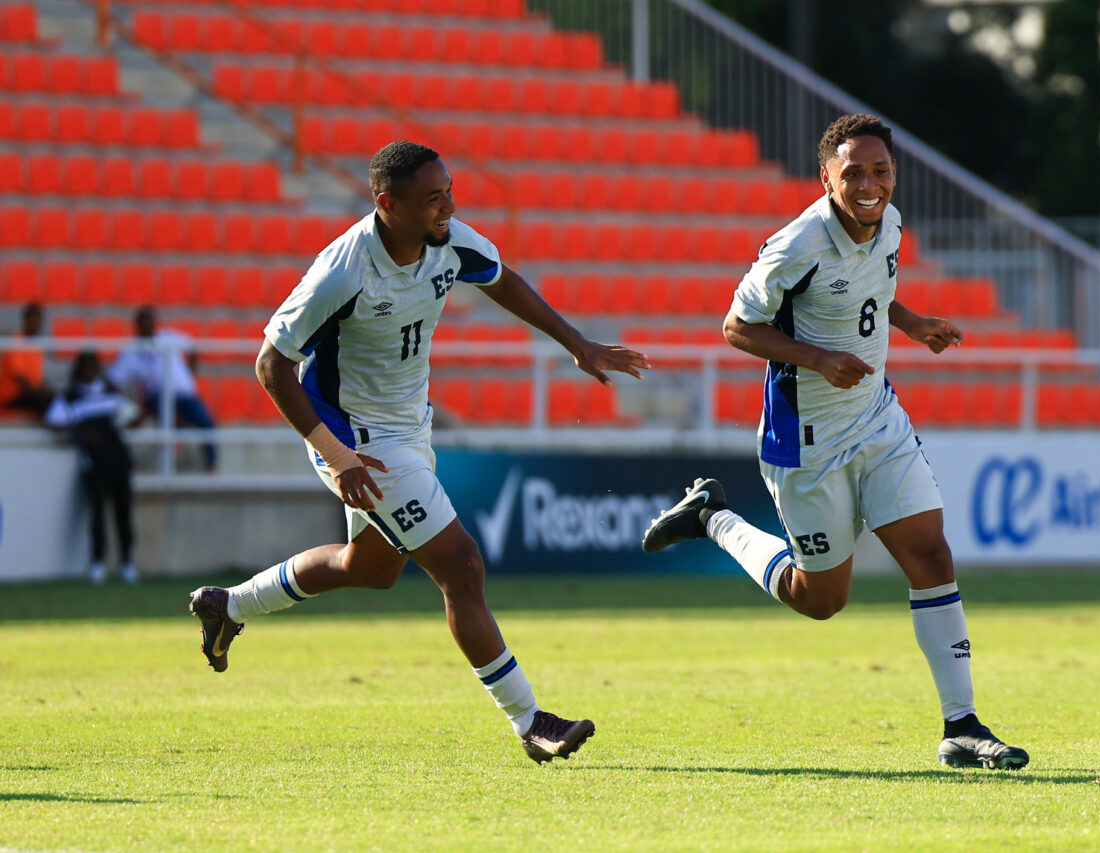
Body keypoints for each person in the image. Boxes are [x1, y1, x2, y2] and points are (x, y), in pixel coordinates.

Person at [187, 141, 650, 764]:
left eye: (449, 191)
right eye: (433, 199)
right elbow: (272, 366)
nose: (449, 207)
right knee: (460, 566)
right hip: (357, 443)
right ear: (388, 204)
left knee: (369, 568)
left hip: (409, 430)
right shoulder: (344, 271)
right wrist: (336, 452)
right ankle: (529, 720)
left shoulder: (449, 239)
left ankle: (227, 605)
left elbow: (500, 278)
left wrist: (577, 343)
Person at [641, 114, 1029, 771]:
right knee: (820, 599)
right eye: (853, 173)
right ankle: (712, 516)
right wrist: (818, 358)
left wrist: (911, 324)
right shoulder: (798, 244)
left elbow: (876, 289)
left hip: (877, 419)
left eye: (880, 171)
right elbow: (737, 326)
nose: (869, 184)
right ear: (826, 178)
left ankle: (961, 725)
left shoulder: (893, 222)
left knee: (930, 553)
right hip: (806, 439)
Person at [45, 351, 140, 585]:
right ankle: (97, 563)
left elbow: (133, 416)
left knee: (123, 511)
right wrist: (80, 432)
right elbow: (54, 421)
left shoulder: (109, 391)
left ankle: (127, 562)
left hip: (118, 458)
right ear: (78, 370)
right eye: (86, 367)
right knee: (97, 512)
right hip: (95, 462)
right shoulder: (71, 396)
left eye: (94, 367)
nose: (91, 372)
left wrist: (129, 416)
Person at [108, 305, 218, 471]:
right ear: (137, 324)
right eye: (144, 322)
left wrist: (191, 372)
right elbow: (114, 378)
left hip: (185, 395)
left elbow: (191, 346)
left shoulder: (167, 337)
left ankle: (211, 465)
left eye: (150, 321)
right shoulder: (131, 350)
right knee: (155, 418)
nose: (148, 326)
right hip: (157, 396)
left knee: (207, 423)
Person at [0, 301, 55, 418]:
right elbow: (19, 378)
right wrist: (38, 393)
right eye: (34, 319)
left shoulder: (37, 346)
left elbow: (36, 379)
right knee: (46, 402)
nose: (36, 323)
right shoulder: (15, 341)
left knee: (56, 399)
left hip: (29, 393)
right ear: (26, 319)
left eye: (39, 319)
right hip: (12, 396)